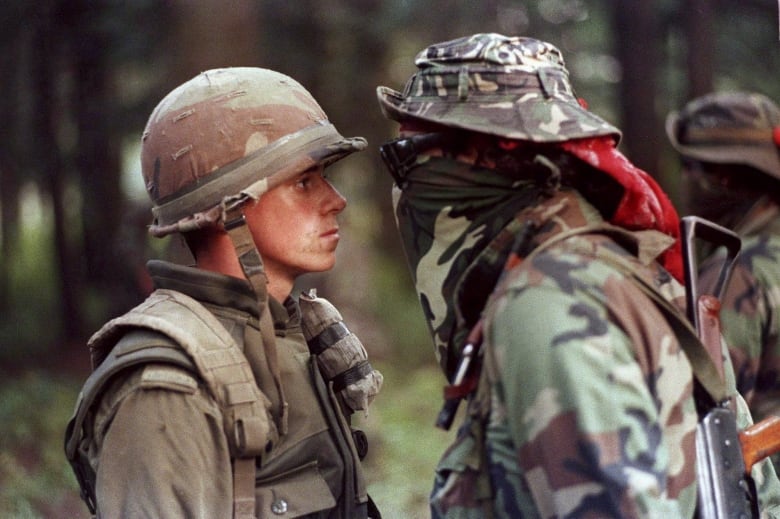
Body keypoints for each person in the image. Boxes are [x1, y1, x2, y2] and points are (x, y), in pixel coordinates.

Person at [376, 33, 780, 517]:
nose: (405, 176)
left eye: (411, 151)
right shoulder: (613, 268)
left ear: (483, 154)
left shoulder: (549, 302)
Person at [65, 67, 382, 518]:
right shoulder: (168, 387)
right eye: (304, 182)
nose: (335, 199)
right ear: (227, 210)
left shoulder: (290, 334)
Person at [666, 91, 780, 423]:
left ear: (721, 179)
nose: (685, 179)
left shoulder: (736, 269)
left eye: (690, 166)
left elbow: (709, 410)